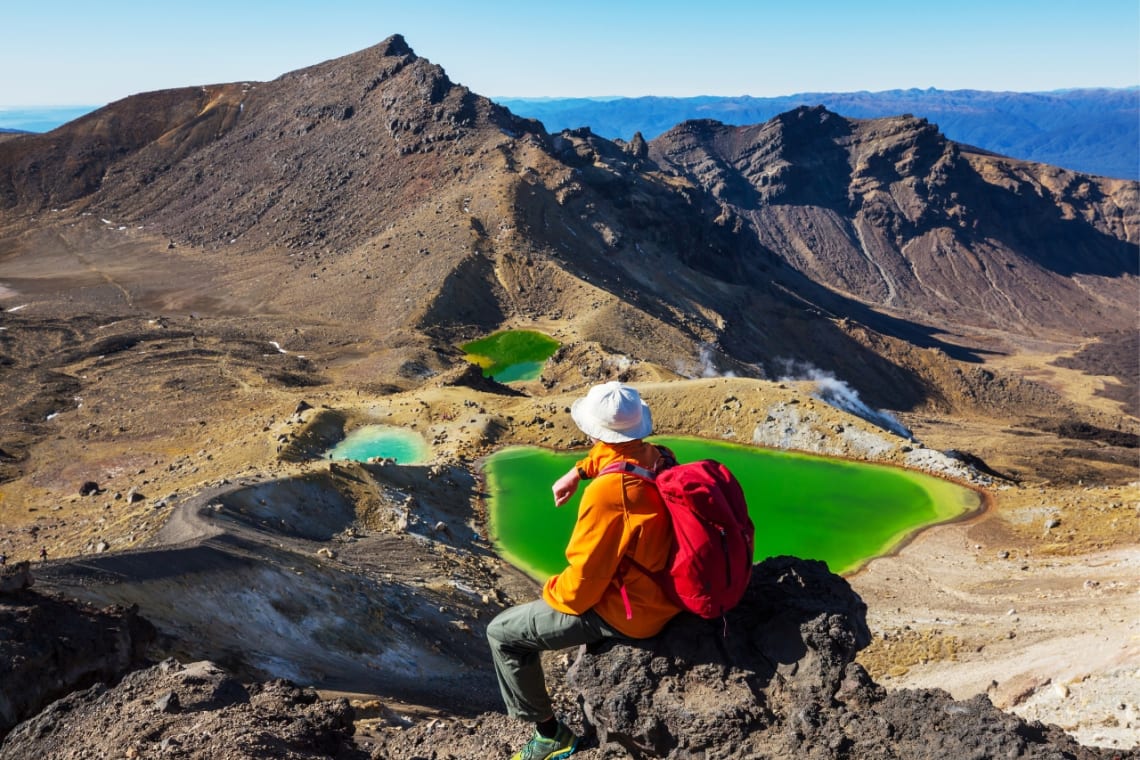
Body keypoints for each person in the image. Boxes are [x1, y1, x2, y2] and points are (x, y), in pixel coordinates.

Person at [487, 381, 682, 760]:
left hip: (636, 614)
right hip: (667, 590)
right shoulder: (660, 456)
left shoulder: (610, 493)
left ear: (593, 429)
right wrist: (578, 471)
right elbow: (614, 456)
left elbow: (581, 589)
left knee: (503, 634)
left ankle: (550, 735)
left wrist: (549, 593)